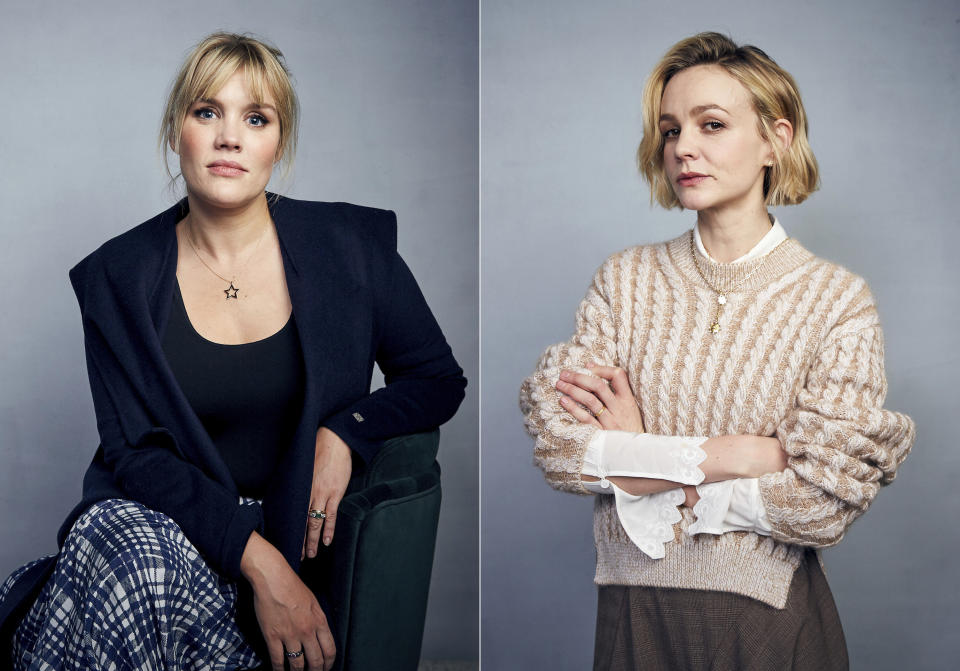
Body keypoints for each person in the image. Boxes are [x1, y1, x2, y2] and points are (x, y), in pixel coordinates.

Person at [0, 32, 466, 671]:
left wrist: (346, 431)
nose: (229, 137)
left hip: (282, 540)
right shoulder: (118, 277)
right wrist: (258, 561)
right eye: (206, 112)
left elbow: (438, 378)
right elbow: (133, 455)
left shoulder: (351, 248)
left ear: (280, 141)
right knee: (134, 558)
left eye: (256, 118)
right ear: (176, 132)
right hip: (158, 530)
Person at [519, 32, 914, 670]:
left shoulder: (837, 301)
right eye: (671, 130)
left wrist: (638, 464)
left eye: (712, 125)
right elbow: (562, 451)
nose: (684, 148)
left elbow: (822, 503)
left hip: (769, 618)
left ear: (775, 140)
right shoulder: (625, 281)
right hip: (632, 610)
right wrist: (738, 455)